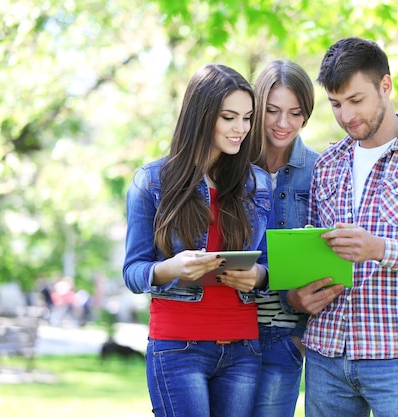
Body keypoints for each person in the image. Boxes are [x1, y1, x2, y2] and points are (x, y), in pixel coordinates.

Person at [287, 37, 398, 417]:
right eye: (336, 104)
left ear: (385, 86)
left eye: (356, 101)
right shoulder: (329, 163)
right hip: (326, 354)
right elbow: (313, 252)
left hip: (397, 356)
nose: (346, 115)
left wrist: (381, 249)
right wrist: (298, 294)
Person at [122, 64, 273, 417]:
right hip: (177, 347)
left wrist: (260, 277)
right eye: (229, 117)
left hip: (242, 349)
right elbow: (133, 271)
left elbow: (267, 263)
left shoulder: (258, 183)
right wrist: (170, 268)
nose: (241, 129)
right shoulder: (152, 181)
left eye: (247, 118)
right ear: (202, 116)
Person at [249, 59, 319, 417]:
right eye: (272, 110)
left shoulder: (319, 169)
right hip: (230, 327)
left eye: (294, 113)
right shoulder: (230, 164)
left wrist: (299, 332)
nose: (282, 123)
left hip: (285, 333)